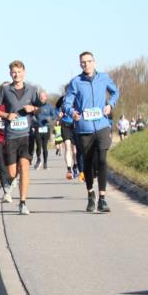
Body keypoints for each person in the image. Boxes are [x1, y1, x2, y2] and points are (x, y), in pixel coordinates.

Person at [63, 51, 120, 212]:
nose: (86, 64)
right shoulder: (76, 82)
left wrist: (110, 105)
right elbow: (67, 103)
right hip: (84, 129)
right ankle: (90, 195)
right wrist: (72, 113)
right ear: (80, 64)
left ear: (94, 62)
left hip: (102, 126)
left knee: (102, 160)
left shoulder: (104, 78)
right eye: (83, 62)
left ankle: (102, 199)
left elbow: (115, 92)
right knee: (87, 163)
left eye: (88, 61)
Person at [0, 61, 42, 215]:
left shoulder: (32, 90)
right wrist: (6, 115)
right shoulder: (5, 90)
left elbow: (41, 109)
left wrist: (33, 108)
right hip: (11, 136)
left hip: (26, 135)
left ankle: (22, 203)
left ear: (24, 72)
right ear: (10, 74)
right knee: (13, 173)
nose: (17, 75)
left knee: (25, 169)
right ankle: (10, 181)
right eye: (14, 72)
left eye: (19, 72)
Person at [33, 91, 57, 169]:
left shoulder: (49, 106)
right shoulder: (35, 106)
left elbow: (54, 115)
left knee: (44, 146)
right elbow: (31, 115)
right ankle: (39, 159)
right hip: (37, 127)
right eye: (40, 97)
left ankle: (45, 162)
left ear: (46, 97)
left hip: (46, 128)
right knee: (38, 146)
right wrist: (34, 121)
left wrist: (50, 118)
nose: (41, 98)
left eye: (43, 97)